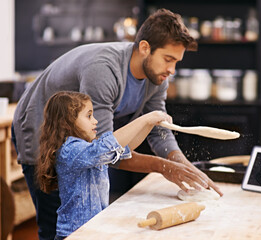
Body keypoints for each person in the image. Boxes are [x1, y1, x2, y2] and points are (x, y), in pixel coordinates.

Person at [12, 8, 223, 240]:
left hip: (86, 143)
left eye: (176, 62)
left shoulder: (157, 76)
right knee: (56, 226)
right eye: (168, 59)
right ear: (145, 48)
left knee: (89, 217)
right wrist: (164, 167)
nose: (171, 70)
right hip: (39, 126)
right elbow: (105, 149)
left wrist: (183, 166)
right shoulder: (103, 70)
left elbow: (159, 131)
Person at [37, 91, 178, 239]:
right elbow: (108, 145)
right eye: (89, 116)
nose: (95, 121)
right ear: (66, 122)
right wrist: (146, 118)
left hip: (92, 229)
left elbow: (125, 147)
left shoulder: (88, 147)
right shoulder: (70, 150)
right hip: (74, 234)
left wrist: (149, 124)